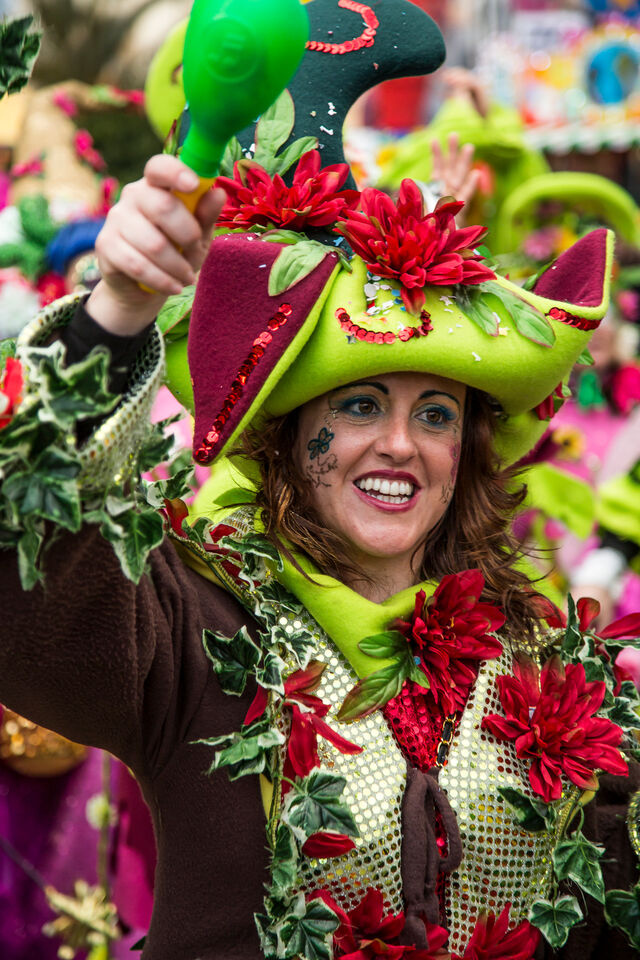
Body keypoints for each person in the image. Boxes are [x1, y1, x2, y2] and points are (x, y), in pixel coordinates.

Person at [1, 14, 640, 960]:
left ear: (467, 453)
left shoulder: (550, 667)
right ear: (293, 437)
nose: (400, 446)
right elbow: (29, 573)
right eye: (360, 405)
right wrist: (119, 309)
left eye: (436, 414)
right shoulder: (197, 633)